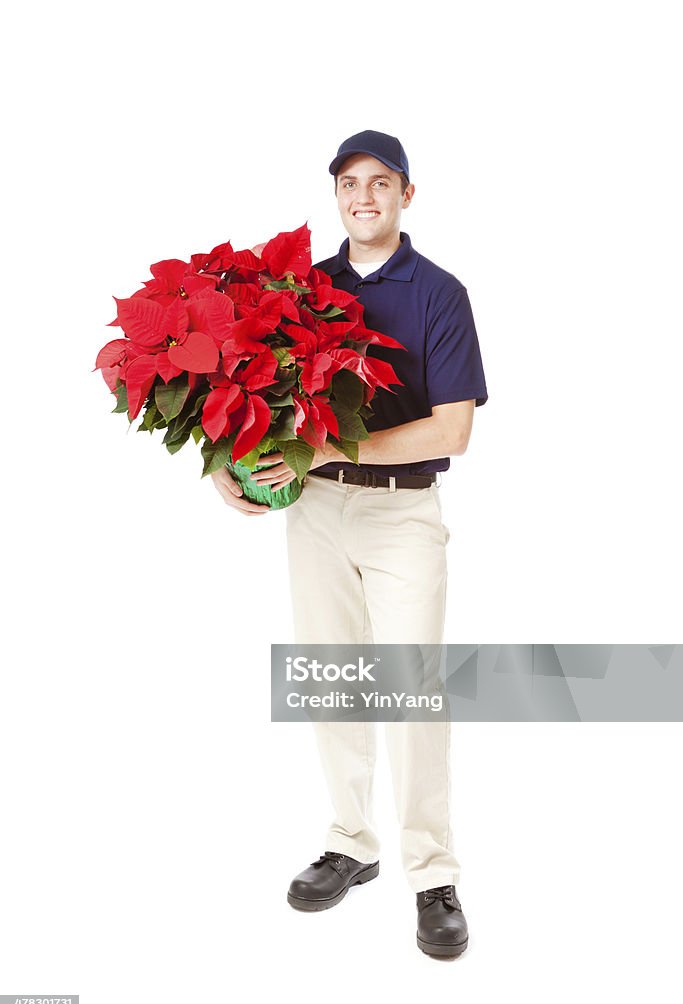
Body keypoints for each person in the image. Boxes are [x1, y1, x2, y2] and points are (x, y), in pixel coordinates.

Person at [211, 130, 488, 958]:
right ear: (335, 197)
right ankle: (351, 842)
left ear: (407, 194)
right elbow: (249, 389)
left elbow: (453, 430)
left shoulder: (438, 293)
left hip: (403, 515)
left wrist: (334, 446)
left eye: (378, 183)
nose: (361, 196)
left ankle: (431, 873)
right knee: (330, 678)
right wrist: (228, 463)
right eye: (346, 184)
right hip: (316, 510)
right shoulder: (304, 289)